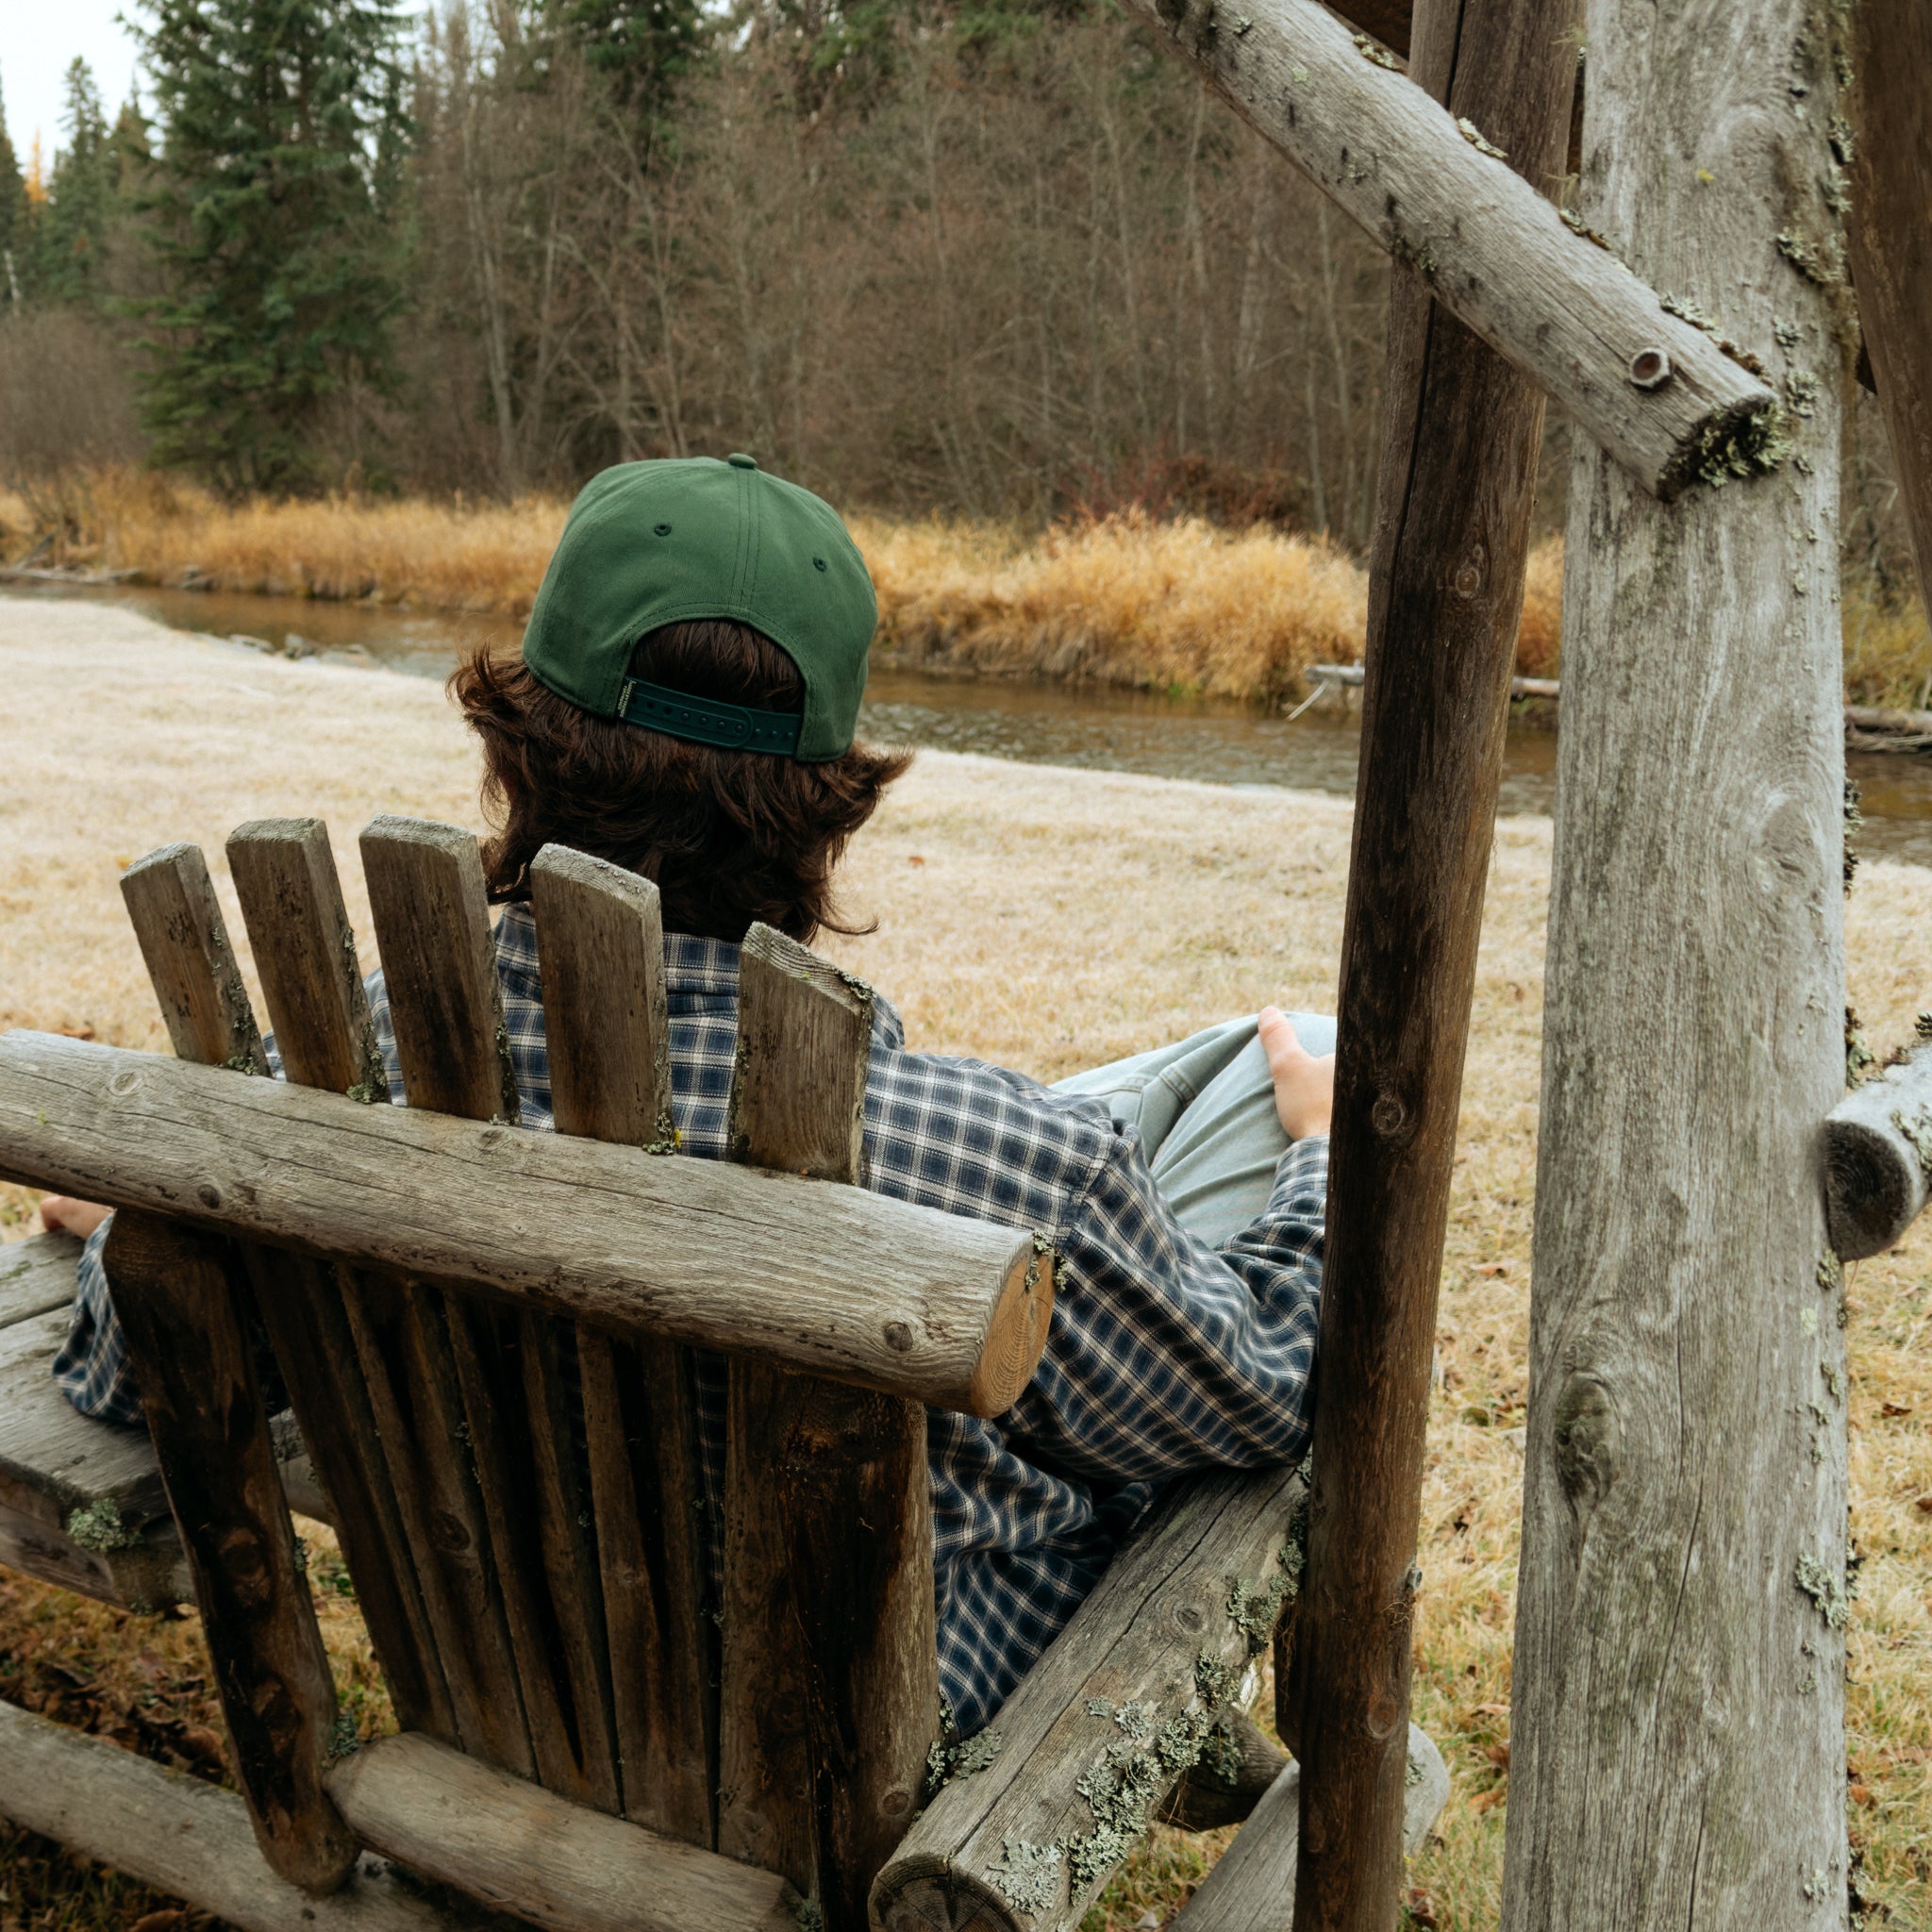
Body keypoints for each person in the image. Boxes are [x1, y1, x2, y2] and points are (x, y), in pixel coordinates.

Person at [45, 453, 1335, 1739]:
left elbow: (120, 1369)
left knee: (1130, 1109)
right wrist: (1327, 1158)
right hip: (855, 1756)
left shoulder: (329, 1083)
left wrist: (136, 1225)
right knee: (1258, 1068)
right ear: (825, 818)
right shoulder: (995, 1170)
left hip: (514, 1706)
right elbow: (1265, 1389)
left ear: (515, 751)